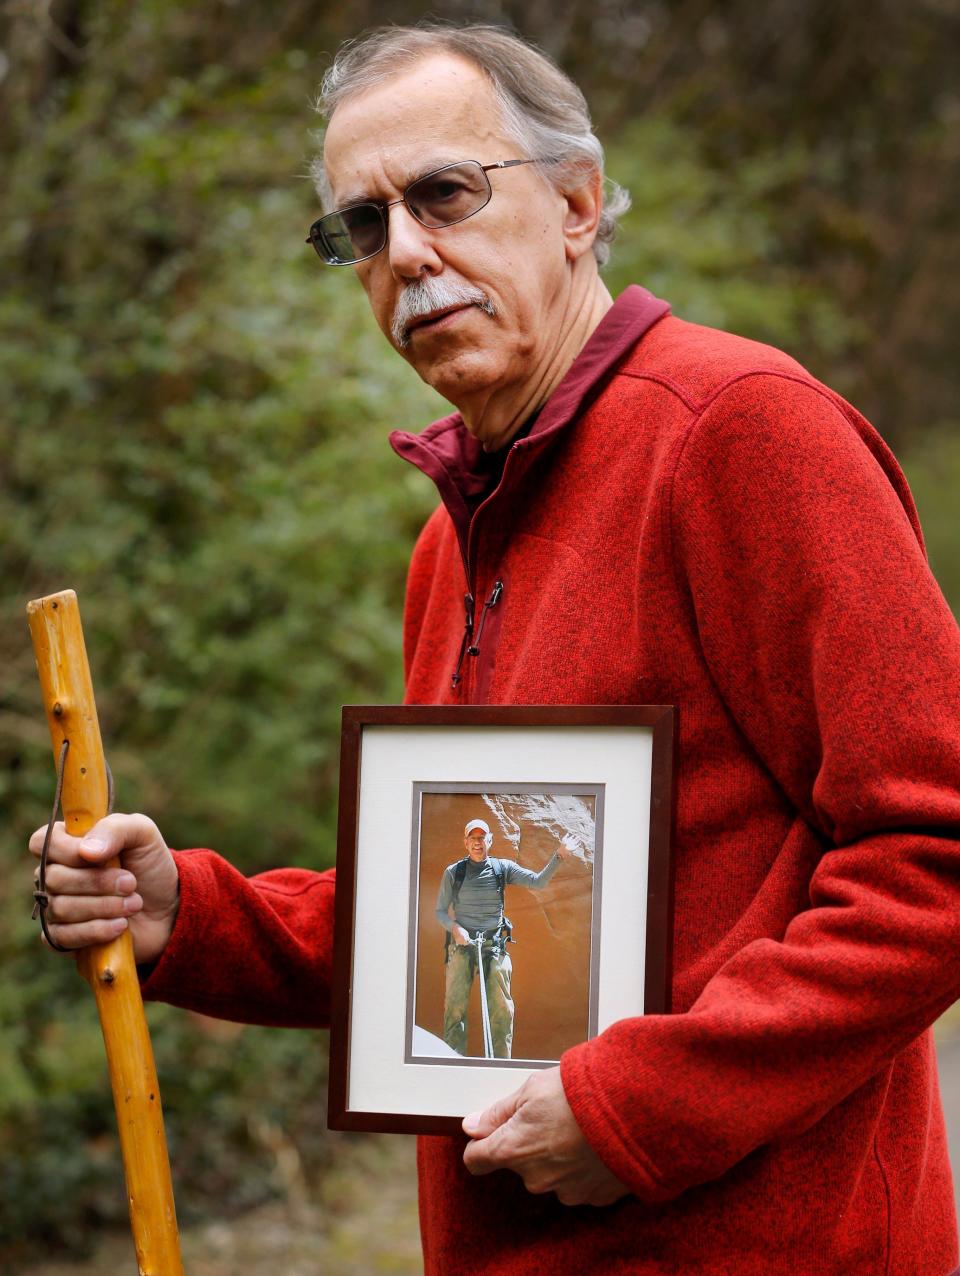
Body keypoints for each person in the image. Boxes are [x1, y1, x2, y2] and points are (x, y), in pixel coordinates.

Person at [28, 20, 960, 1276]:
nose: (406, 254)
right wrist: (189, 914)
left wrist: (642, 1104)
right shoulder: (453, 538)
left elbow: (935, 849)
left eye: (445, 194)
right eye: (361, 226)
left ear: (577, 203)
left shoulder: (741, 435)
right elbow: (460, 926)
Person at [436, 817, 568, 1058]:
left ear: (490, 840)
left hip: (494, 946)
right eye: (473, 838)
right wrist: (455, 929)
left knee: (501, 1011)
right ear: (466, 842)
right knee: (454, 1010)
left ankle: (500, 1066)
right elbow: (440, 912)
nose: (478, 842)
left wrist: (559, 855)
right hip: (462, 947)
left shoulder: (502, 868)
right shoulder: (453, 873)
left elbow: (538, 882)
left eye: (482, 837)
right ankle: (452, 1066)